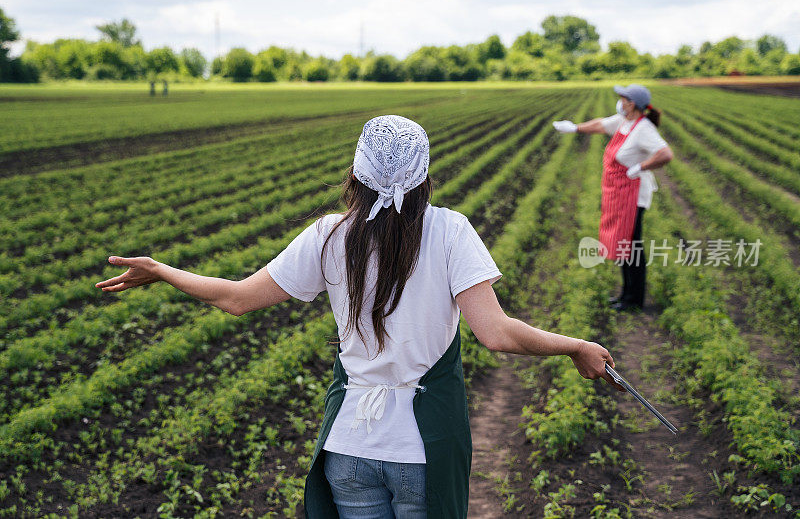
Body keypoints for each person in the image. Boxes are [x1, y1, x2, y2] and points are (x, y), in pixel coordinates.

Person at [96, 114, 623, 519]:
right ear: (423, 174)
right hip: (422, 448)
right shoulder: (448, 231)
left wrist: (164, 270)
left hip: (347, 445)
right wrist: (576, 346)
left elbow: (234, 297)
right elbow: (498, 334)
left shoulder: (331, 234)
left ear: (357, 172)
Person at [553, 84, 673, 312]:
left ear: (633, 104)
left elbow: (666, 153)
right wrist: (575, 128)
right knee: (623, 244)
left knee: (632, 245)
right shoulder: (624, 121)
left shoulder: (644, 128)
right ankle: (626, 294)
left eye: (624, 97)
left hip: (634, 195)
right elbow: (600, 124)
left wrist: (642, 166)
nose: (620, 100)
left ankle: (634, 299)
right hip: (619, 193)